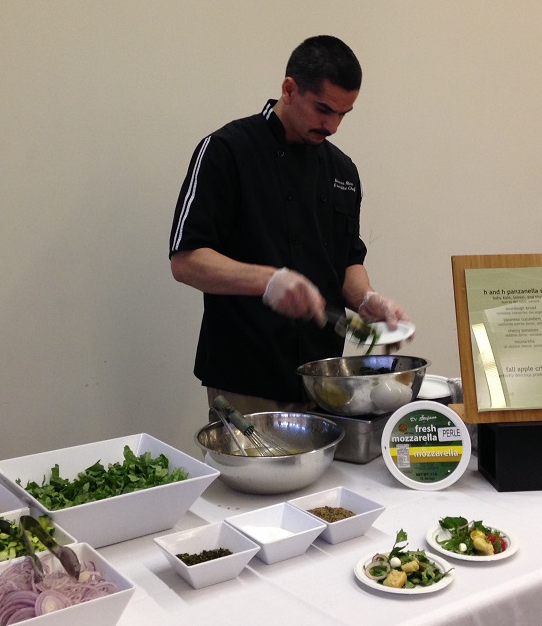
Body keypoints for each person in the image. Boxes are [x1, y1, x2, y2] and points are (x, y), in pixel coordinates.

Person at [169, 35, 408, 413]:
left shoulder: (343, 170)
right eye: (323, 110)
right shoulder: (226, 150)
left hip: (326, 380)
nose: (333, 126)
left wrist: (366, 299)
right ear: (289, 89)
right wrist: (269, 281)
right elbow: (186, 261)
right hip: (245, 379)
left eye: (344, 114)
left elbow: (345, 260)